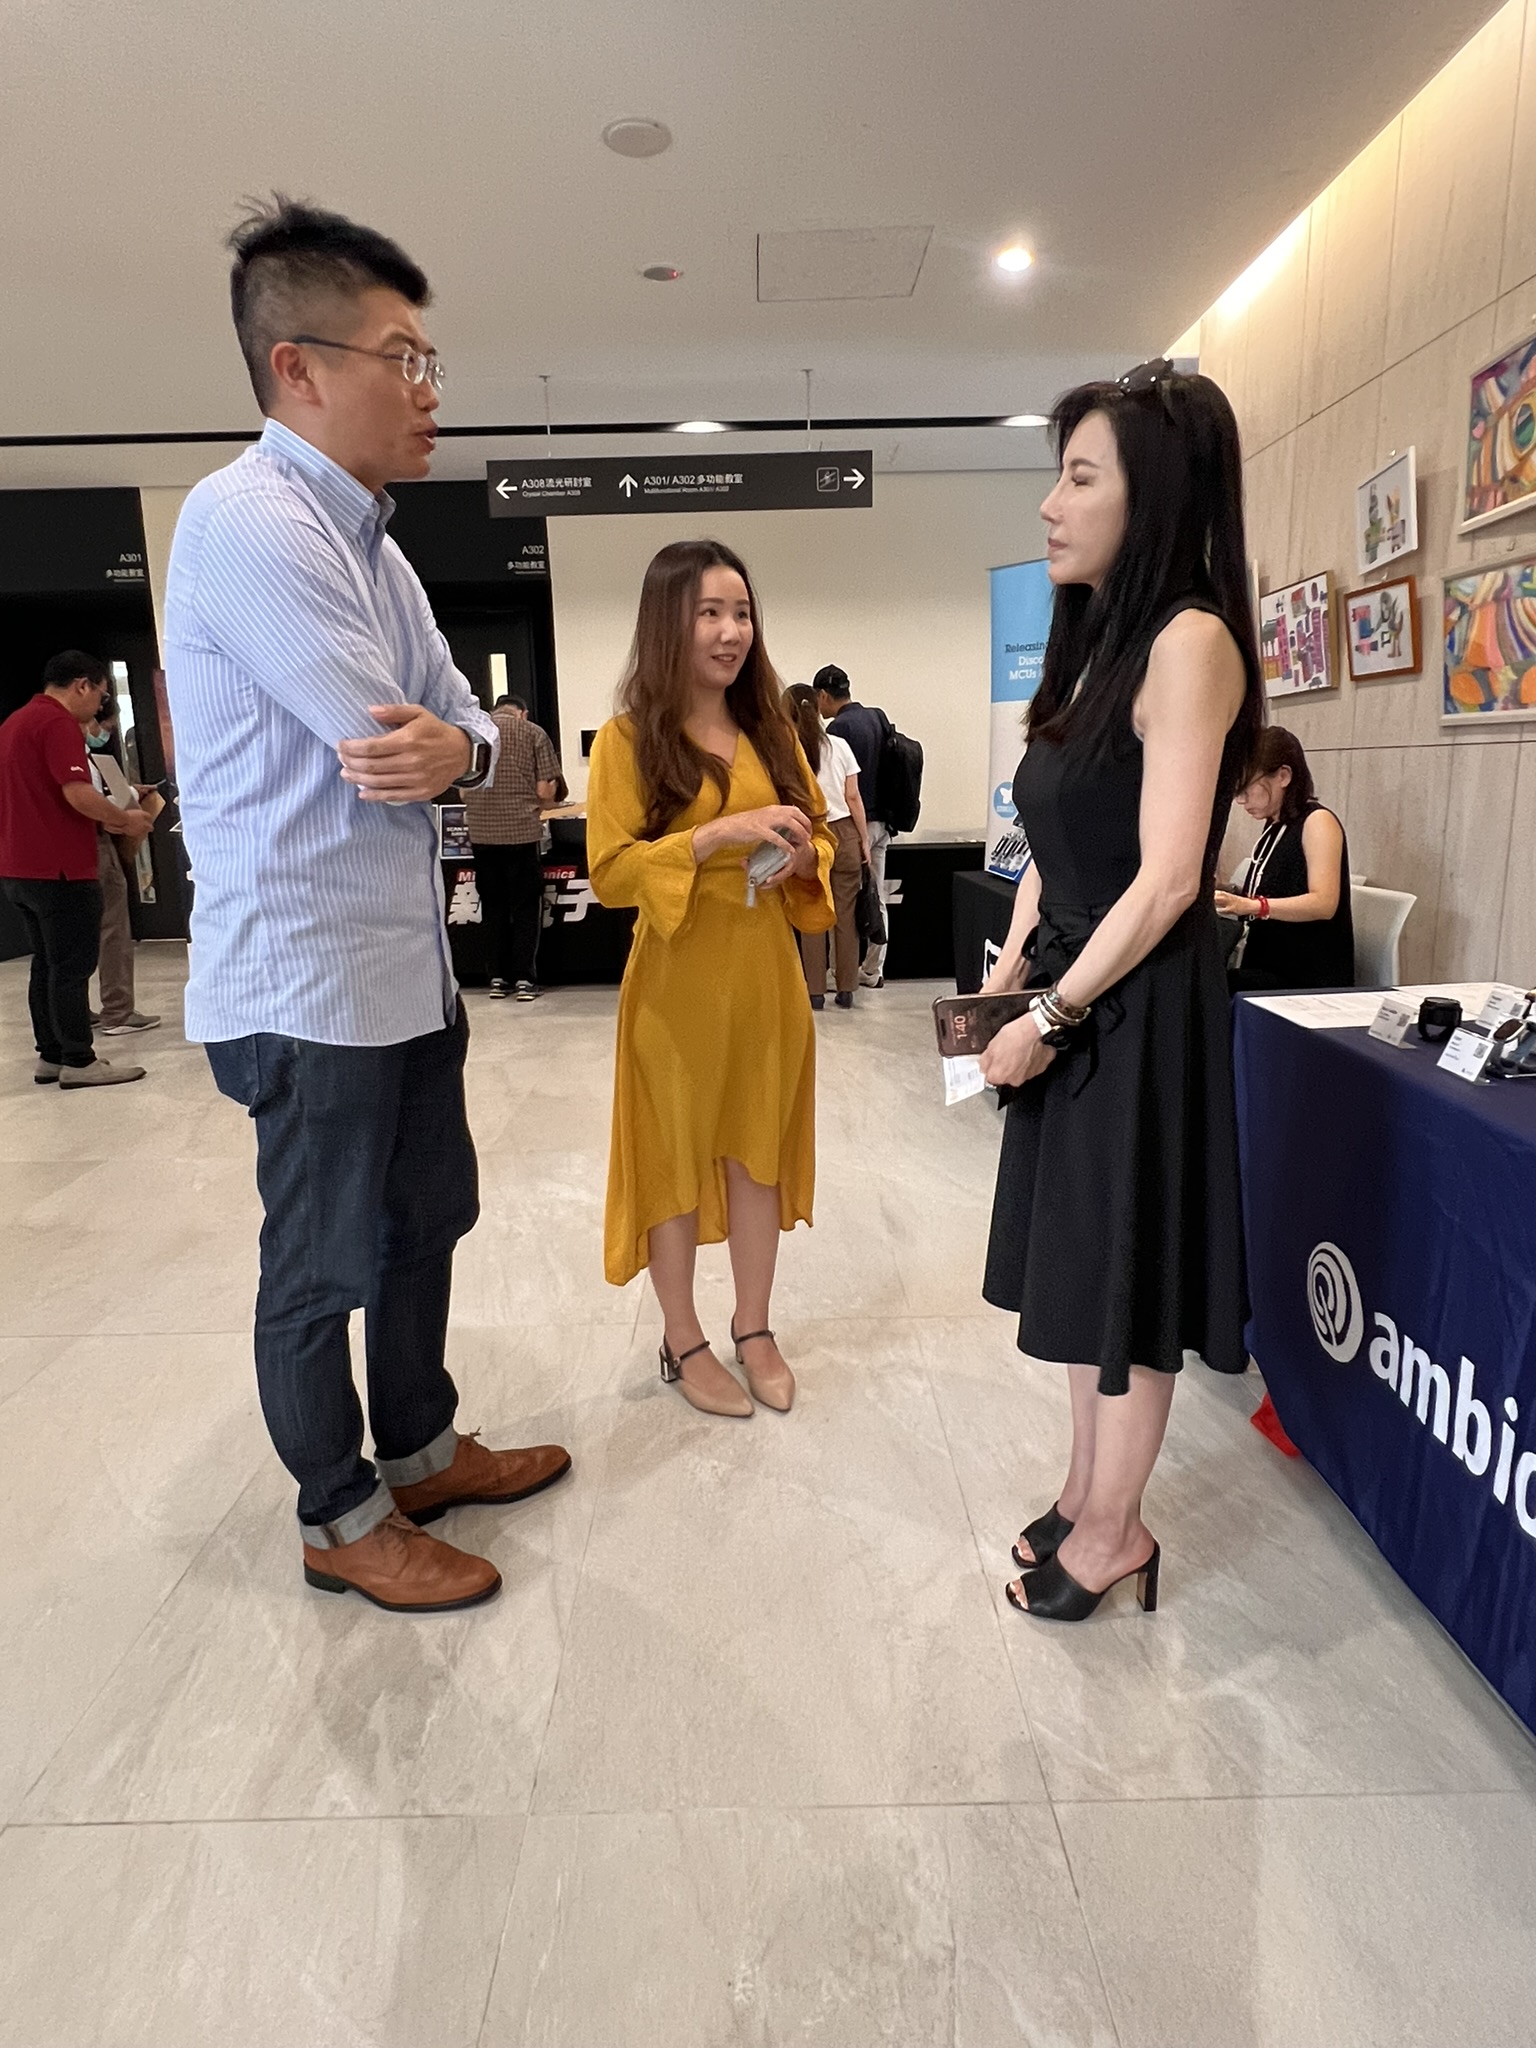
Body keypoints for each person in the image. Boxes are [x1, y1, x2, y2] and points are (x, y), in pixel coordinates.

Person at [163, 196, 571, 1615]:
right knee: (321, 1259)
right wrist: (460, 748)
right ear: (299, 368)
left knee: (426, 1221)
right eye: (404, 357)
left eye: (427, 357)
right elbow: (381, 737)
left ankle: (422, 1450)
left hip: (404, 971)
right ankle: (339, 1515)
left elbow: (478, 733)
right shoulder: (245, 522)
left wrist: (465, 746)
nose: (430, 387)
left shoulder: (378, 547)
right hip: (306, 982)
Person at [976, 358, 1264, 1622]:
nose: (1051, 505)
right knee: (1082, 1265)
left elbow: (1170, 878)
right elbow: (1058, 838)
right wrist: (1011, 966)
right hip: (1079, 988)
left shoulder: (1191, 641)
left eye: (1080, 478)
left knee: (1128, 1279)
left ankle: (1117, 1529)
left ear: (1149, 497)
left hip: (1133, 1010)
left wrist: (1051, 1013)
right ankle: (1086, 1490)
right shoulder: (1102, 646)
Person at [587, 540, 835, 1418]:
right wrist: (712, 837)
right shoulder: (627, 741)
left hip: (765, 977)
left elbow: (820, 835)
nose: (732, 632)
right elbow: (610, 873)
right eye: (710, 614)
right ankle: (683, 1337)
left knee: (757, 1153)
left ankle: (754, 1327)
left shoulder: (773, 728)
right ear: (669, 623)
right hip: (674, 987)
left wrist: (804, 853)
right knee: (673, 1158)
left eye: (742, 613)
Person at [0, 651, 154, 1088]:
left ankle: (50, 1056)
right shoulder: (58, 723)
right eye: (101, 695)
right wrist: (125, 820)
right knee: (71, 966)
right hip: (62, 868)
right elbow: (77, 793)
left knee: (46, 964)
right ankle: (79, 1060)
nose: (99, 706)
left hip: (19, 868)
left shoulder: (13, 724)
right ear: (82, 685)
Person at [1216, 726, 1354, 990]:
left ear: (1283, 776)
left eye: (1246, 789)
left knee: (1205, 989)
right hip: (1269, 965)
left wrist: (1252, 906)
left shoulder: (1318, 821)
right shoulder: (1276, 824)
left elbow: (1324, 903)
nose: (1241, 800)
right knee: (1200, 982)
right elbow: (1277, 888)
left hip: (1304, 975)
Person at [461, 691, 562, 1000]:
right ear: (523, 713)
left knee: (492, 907)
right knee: (525, 908)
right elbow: (545, 790)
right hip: (521, 834)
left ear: (496, 710)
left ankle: (496, 978)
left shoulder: (474, 734)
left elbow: (463, 792)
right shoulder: (533, 733)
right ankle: (524, 981)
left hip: (482, 836)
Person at [784, 681, 870, 1008]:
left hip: (806, 833)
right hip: (844, 832)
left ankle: (815, 991)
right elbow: (853, 796)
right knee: (845, 915)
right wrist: (863, 839)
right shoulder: (840, 746)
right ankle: (846, 988)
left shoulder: (787, 749)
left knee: (811, 910)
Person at [85, 696, 161, 1036]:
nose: (105, 734)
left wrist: (129, 790)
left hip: (66, 858)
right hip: (95, 846)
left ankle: (75, 1010)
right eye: (106, 726)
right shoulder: (76, 753)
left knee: (75, 934)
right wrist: (125, 815)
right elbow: (88, 800)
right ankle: (117, 1011)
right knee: (112, 927)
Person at [814, 664, 892, 988]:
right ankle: (872, 969)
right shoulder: (877, 717)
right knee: (876, 896)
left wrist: (859, 836)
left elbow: (850, 793)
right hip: (884, 821)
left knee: (842, 905)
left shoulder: (838, 732)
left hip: (854, 825)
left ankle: (838, 974)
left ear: (823, 695)